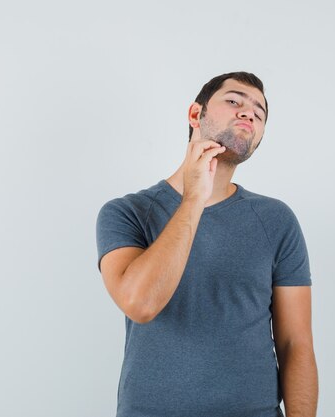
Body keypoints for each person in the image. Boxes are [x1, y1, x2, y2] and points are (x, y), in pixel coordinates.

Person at [95, 71, 318, 417]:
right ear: (195, 114)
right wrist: (193, 199)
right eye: (234, 101)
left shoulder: (276, 220)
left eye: (259, 113)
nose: (249, 113)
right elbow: (140, 303)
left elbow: (296, 345)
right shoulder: (127, 212)